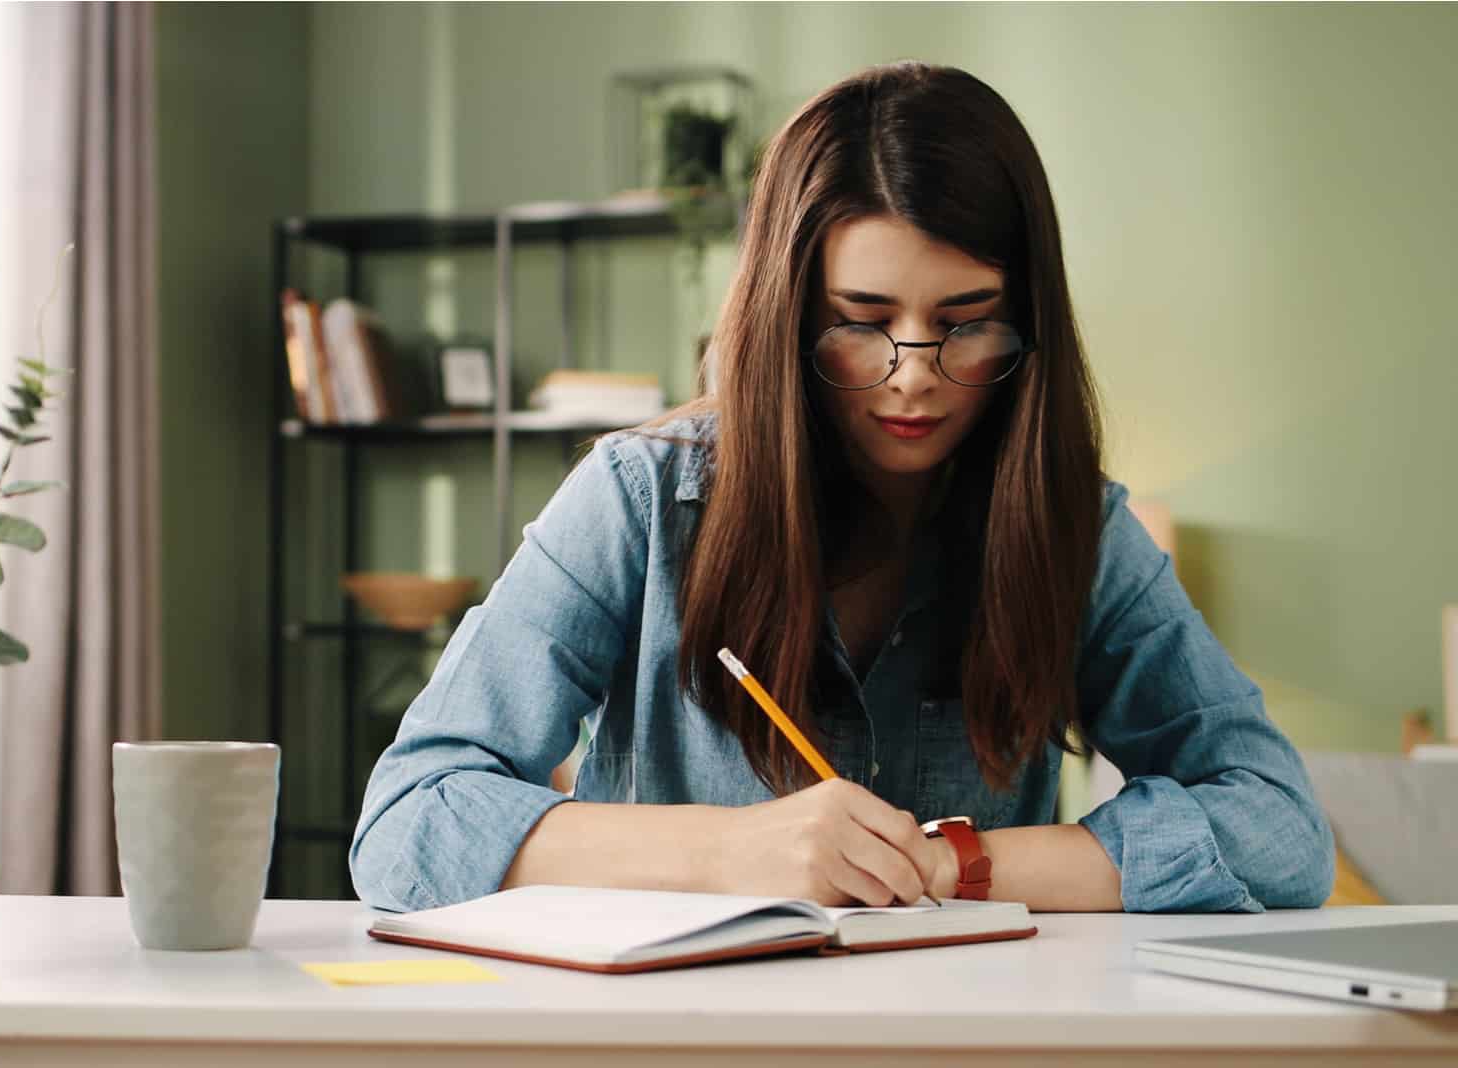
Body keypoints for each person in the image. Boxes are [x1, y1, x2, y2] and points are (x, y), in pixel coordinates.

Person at [350, 62, 1335, 915]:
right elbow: (407, 824)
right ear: (788, 317)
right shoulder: (637, 499)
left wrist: (957, 864)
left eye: (964, 323)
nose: (913, 375)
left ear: (1026, 317)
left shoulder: (1073, 527)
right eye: (861, 321)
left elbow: (1281, 830)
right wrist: (729, 853)